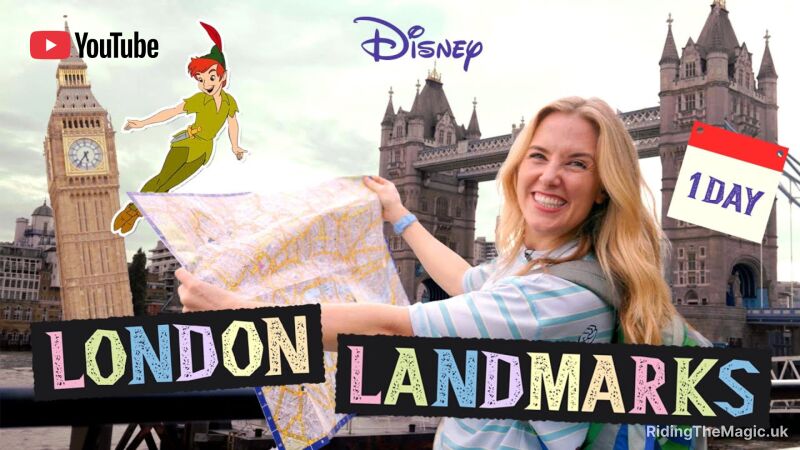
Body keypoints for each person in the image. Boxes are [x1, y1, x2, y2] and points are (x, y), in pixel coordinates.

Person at [177, 97, 690, 449]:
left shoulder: (554, 298)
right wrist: (401, 214)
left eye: (577, 163)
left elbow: (390, 327)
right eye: (538, 155)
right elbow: (466, 281)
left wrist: (237, 312)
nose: (550, 175)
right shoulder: (555, 264)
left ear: (604, 187)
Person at [112, 22, 247, 236]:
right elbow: (173, 111)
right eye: (201, 79)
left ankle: (135, 212)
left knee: (169, 186)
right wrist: (144, 122)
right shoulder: (199, 100)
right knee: (163, 178)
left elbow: (232, 123)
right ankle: (132, 210)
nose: (207, 84)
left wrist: (235, 146)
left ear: (224, 77)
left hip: (204, 151)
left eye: (211, 77)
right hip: (187, 143)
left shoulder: (230, 102)